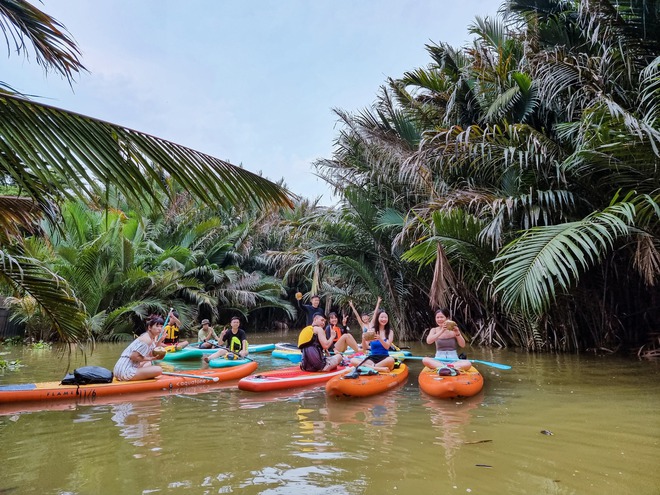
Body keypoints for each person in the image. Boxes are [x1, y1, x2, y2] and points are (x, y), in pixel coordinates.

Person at [350, 296, 395, 372]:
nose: (383, 319)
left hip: (384, 358)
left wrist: (380, 338)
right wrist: (363, 339)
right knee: (353, 360)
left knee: (391, 360)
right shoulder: (372, 330)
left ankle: (369, 367)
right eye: (381, 317)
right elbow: (365, 347)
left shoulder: (390, 332)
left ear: (388, 319)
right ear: (378, 318)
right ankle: (375, 368)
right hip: (373, 358)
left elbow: (387, 347)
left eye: (385, 317)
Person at [113, 314, 164, 381]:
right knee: (159, 370)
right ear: (149, 327)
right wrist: (150, 358)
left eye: (161, 326)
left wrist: (160, 340)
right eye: (157, 326)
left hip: (119, 369)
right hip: (125, 371)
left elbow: (152, 354)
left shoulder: (148, 337)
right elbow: (133, 357)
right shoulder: (147, 340)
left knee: (149, 363)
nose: (160, 329)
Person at [422, 308, 472, 373]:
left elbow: (462, 345)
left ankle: (445, 368)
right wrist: (442, 331)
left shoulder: (453, 329)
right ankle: (448, 368)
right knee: (425, 360)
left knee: (468, 363)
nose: (439, 319)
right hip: (439, 360)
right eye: (437, 317)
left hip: (454, 360)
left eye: (442, 317)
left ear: (447, 318)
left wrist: (457, 333)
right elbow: (429, 341)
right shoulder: (434, 330)